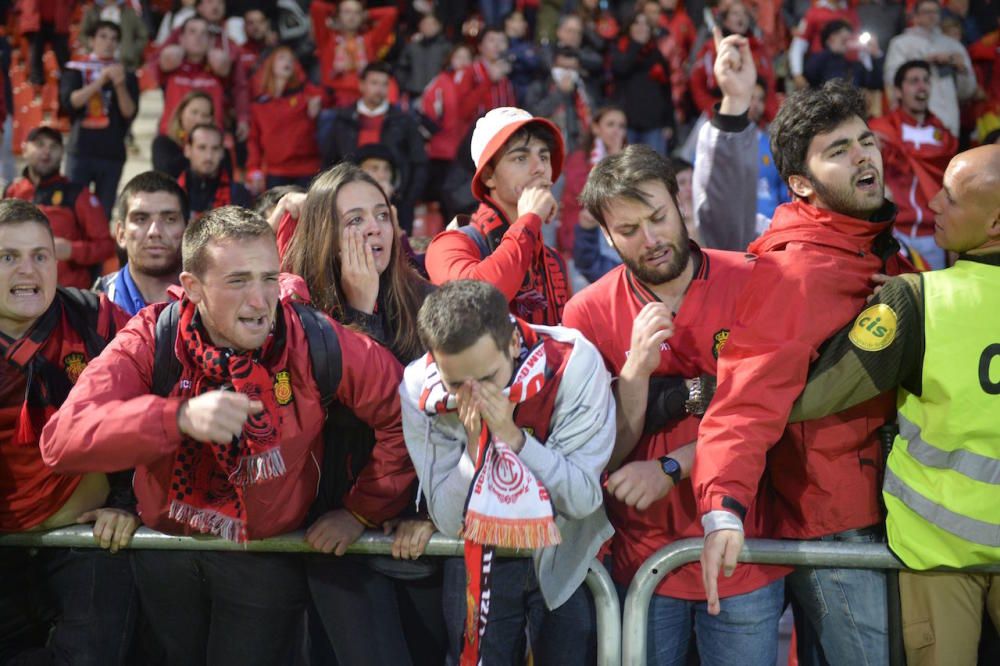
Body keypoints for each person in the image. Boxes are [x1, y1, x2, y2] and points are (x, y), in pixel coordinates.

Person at [41, 205, 414, 665]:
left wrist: (361, 511)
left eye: (268, 278)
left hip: (265, 559)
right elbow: (62, 441)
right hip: (165, 557)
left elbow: (406, 411)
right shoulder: (153, 335)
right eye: (238, 281)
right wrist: (176, 419)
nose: (259, 301)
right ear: (193, 287)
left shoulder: (312, 336)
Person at [563, 34, 786, 665]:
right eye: (629, 229)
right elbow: (598, 455)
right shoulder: (588, 312)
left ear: (680, 200)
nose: (651, 238)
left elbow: (773, 414)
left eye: (659, 217)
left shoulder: (750, 279)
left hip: (745, 550)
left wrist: (670, 466)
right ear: (607, 236)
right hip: (643, 559)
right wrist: (634, 375)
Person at [695, 78, 913, 666]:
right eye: (838, 150)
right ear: (800, 183)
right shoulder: (798, 272)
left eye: (865, 141)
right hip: (836, 523)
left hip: (881, 512)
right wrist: (721, 507)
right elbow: (745, 399)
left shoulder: (881, 252)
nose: (862, 156)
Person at [789, 145, 1000, 666]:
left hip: (940, 555)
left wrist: (702, 392)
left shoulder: (919, 300)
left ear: (995, 224)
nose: (931, 203)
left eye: (950, 197)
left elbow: (807, 393)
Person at [275, 164, 444, 665]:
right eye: (353, 220)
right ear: (323, 235)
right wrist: (359, 314)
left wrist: (428, 516)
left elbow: (438, 424)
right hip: (332, 536)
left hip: (415, 532)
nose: (373, 229)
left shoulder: (429, 303)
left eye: (381, 215)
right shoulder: (296, 312)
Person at [400, 279, 615, 664]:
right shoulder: (420, 388)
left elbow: (582, 498)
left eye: (487, 379)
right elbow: (448, 520)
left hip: (566, 550)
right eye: (457, 384)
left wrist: (513, 438)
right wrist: (474, 449)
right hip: (479, 556)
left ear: (514, 343)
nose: (475, 395)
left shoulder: (574, 364)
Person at [0, 198, 136, 665]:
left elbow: (157, 403)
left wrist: (127, 502)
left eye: (40, 255)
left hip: (87, 545)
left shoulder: (97, 319)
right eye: (8, 257)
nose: (28, 270)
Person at [424, 107, 570, 326]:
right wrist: (529, 220)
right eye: (520, 158)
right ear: (488, 176)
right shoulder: (449, 244)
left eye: (544, 156)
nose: (539, 168)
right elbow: (476, 305)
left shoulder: (553, 260)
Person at [870, 59, 958, 269]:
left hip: (933, 236)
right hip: (894, 233)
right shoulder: (879, 131)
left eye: (926, 81)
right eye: (914, 81)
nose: (922, 86)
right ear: (898, 92)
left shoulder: (944, 137)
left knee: (931, 290)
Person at [323, 63, 428, 234]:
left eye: (384, 84)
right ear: (361, 85)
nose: (379, 89)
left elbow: (419, 161)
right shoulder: (343, 120)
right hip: (349, 201)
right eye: (374, 83)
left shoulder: (404, 120)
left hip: (396, 204)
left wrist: (407, 198)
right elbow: (330, 160)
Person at [4, 126, 113, 289]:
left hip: (64, 293)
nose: (46, 152)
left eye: (53, 146)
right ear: (24, 149)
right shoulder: (12, 191)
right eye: (40, 144)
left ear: (62, 153)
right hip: (16, 288)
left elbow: (106, 246)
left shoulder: (78, 194)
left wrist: (72, 250)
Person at [60, 20, 140, 218]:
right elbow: (71, 102)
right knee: (72, 209)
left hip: (111, 152)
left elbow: (129, 112)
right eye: (103, 36)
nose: (108, 42)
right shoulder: (75, 69)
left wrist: (119, 84)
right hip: (80, 149)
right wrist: (99, 82)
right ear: (91, 40)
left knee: (103, 213)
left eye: (114, 39)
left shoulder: (126, 74)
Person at [94, 171, 190, 315]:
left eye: (169, 219)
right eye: (141, 219)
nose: (155, 232)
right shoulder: (94, 308)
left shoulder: (210, 301)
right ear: (121, 234)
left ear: (188, 232)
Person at [884, 0, 977, 136]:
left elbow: (967, 91)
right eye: (926, 12)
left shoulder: (953, 45)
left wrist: (961, 69)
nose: (931, 16)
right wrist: (925, 62)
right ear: (915, 16)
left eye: (935, 12)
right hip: (914, 116)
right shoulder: (900, 43)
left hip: (948, 114)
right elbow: (892, 79)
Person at [246, 47, 322, 195]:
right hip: (275, 172)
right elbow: (253, 140)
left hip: (308, 169)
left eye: (291, 59)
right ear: (270, 65)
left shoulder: (305, 95)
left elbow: (325, 96)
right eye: (281, 58)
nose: (287, 62)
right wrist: (253, 169)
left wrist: (317, 100)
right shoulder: (259, 105)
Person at [563, 105, 627, 270]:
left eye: (621, 126)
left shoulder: (628, 161)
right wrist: (614, 161)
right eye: (610, 124)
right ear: (596, 128)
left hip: (616, 240)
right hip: (582, 241)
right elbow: (585, 195)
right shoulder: (579, 158)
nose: (616, 131)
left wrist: (620, 159)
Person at [311, 0, 398, 107]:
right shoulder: (326, 39)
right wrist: (336, 12)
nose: (352, 16)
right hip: (333, 101)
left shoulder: (370, 41)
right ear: (338, 15)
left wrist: (367, 14)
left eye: (356, 12)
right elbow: (316, 6)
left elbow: (391, 13)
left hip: (362, 101)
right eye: (347, 12)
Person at [611, 11, 674, 155]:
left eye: (645, 24)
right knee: (628, 167)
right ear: (629, 28)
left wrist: (669, 123)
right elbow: (621, 69)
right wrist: (636, 45)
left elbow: (666, 91)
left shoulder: (657, 54)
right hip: (627, 123)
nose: (641, 27)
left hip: (654, 124)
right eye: (637, 23)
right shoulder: (620, 49)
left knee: (654, 167)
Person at [179, 123, 252, 217]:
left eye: (215, 149)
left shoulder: (239, 194)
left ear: (222, 152)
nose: (209, 156)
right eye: (202, 148)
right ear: (187, 150)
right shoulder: (173, 192)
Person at [152, 90, 217, 179]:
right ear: (181, 113)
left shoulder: (218, 149)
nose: (199, 120)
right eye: (194, 112)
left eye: (205, 115)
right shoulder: (163, 143)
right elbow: (165, 173)